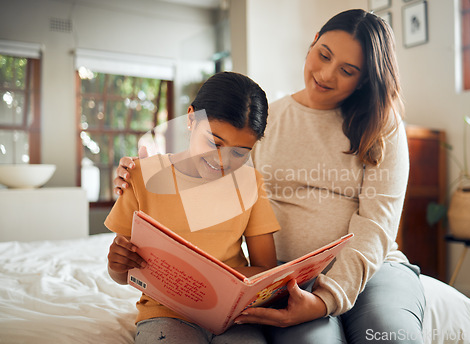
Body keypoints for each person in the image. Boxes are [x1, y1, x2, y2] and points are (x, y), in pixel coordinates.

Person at [114, 9, 426, 344]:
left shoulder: (382, 126)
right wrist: (142, 173)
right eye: (323, 54)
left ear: (364, 79)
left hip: (373, 270)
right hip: (290, 278)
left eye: (347, 71)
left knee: (390, 336)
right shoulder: (263, 121)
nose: (326, 73)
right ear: (312, 44)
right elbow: (209, 172)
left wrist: (327, 299)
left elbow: (378, 223)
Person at [106, 71, 281, 344]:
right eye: (214, 142)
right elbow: (122, 274)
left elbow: (266, 271)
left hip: (234, 315)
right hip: (166, 312)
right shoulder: (141, 176)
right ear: (191, 118)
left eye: (239, 153)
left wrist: (222, 283)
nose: (222, 161)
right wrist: (116, 264)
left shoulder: (251, 183)